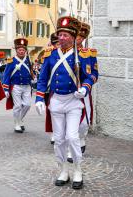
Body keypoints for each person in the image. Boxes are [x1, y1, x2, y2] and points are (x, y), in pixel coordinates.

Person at [35, 16, 94, 190]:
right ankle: (63, 170)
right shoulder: (51, 54)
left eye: (65, 35)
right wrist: (39, 98)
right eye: (59, 34)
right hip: (57, 102)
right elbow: (43, 77)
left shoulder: (82, 55)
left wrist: (85, 88)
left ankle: (77, 170)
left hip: (74, 101)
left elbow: (90, 76)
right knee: (59, 139)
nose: (61, 38)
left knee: (72, 137)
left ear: (73, 37)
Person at [65, 22, 99, 163]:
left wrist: (85, 87)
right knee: (68, 122)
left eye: (82, 37)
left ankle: (82, 138)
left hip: (83, 93)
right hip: (67, 93)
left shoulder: (89, 53)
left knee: (84, 123)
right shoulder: (64, 52)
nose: (80, 39)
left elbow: (94, 74)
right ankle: (69, 150)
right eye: (78, 36)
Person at [2, 38, 33, 133]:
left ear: (25, 51)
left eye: (23, 50)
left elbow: (30, 72)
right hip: (16, 86)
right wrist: (6, 89)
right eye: (20, 50)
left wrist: (33, 77)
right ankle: (17, 124)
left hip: (27, 85)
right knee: (18, 106)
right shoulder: (11, 61)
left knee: (27, 105)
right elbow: (6, 75)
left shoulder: (28, 60)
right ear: (16, 50)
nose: (21, 51)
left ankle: (19, 120)